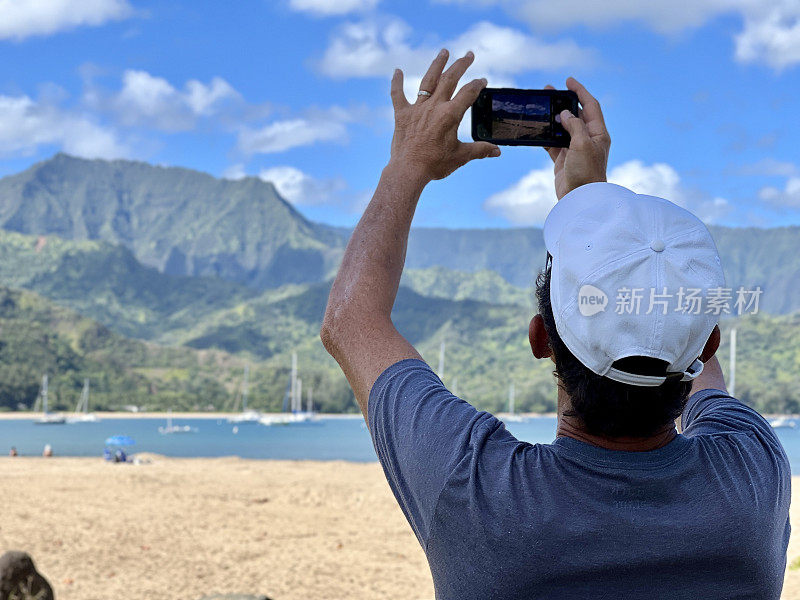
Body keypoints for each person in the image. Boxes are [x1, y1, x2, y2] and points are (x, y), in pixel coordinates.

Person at [321, 49, 790, 598]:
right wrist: (593, 210)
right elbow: (684, 333)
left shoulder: (480, 497)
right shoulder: (753, 476)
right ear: (709, 340)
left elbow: (350, 321)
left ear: (540, 338)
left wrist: (407, 164)